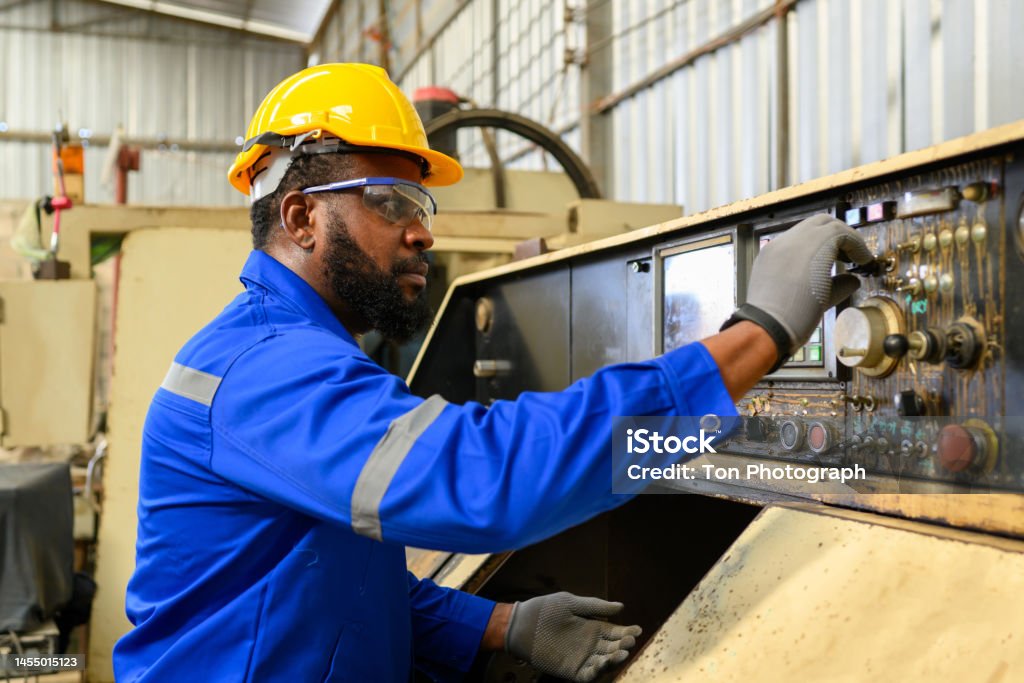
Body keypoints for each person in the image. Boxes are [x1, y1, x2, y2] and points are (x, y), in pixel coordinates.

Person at [113, 63, 872, 682]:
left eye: (424, 204)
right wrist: (759, 338)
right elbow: (484, 481)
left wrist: (505, 624)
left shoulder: (301, 355)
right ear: (302, 217)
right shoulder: (267, 373)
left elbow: (335, 588)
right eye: (390, 200)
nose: (421, 230)